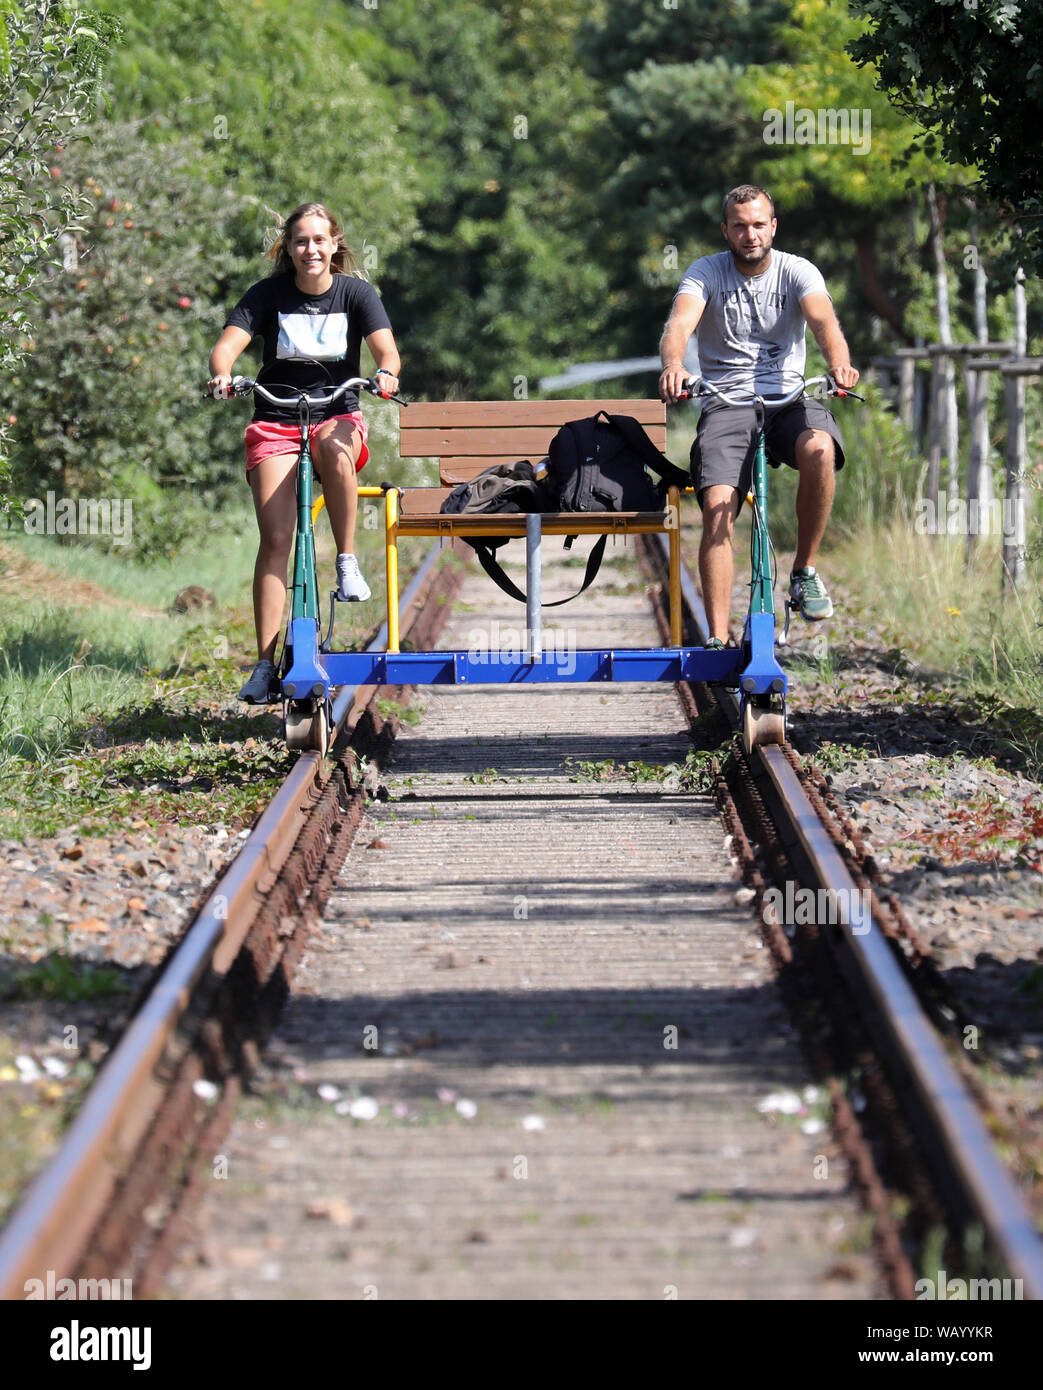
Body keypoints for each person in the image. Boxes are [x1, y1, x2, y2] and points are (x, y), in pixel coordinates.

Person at [207, 202, 401, 703]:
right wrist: (224, 372)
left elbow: (387, 351)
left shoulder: (357, 293)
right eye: (300, 241)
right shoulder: (267, 295)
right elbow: (228, 345)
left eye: (319, 240)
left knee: (332, 448)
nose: (310, 249)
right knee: (274, 540)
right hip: (275, 419)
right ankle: (264, 664)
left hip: (337, 416)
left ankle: (347, 559)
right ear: (288, 248)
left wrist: (385, 373)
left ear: (335, 244)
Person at [658, 184, 859, 648]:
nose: (750, 235)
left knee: (820, 449)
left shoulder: (797, 271)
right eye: (740, 226)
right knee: (717, 506)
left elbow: (825, 323)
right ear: (725, 230)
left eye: (758, 224)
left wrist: (838, 365)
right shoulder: (705, 273)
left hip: (788, 397)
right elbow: (680, 325)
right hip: (727, 402)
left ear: (773, 226)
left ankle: (804, 570)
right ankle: (715, 635)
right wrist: (674, 365)